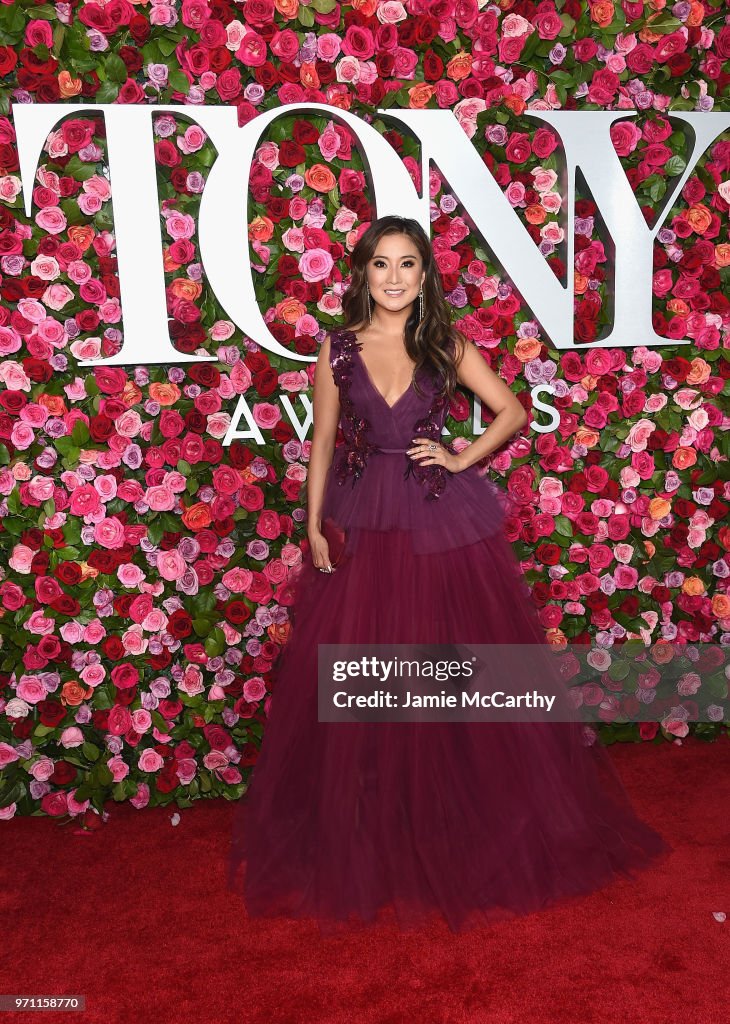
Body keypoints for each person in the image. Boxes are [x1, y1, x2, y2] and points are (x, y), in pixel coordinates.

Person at [227, 215, 671, 935]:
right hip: (363, 518)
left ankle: (454, 819)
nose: (395, 278)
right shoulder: (336, 349)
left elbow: (512, 411)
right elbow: (325, 441)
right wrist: (312, 524)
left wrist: (462, 459)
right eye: (381, 265)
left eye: (408, 264)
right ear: (363, 274)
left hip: (440, 520)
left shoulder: (446, 344)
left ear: (425, 275)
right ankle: (375, 829)